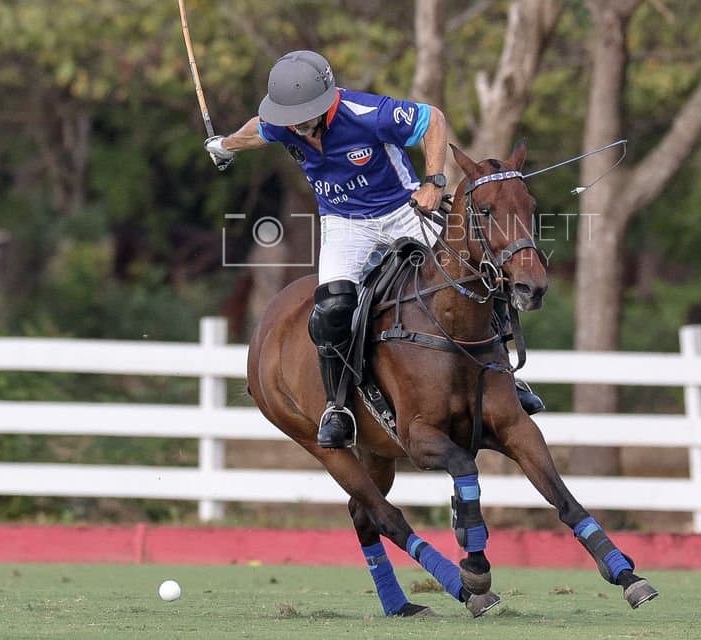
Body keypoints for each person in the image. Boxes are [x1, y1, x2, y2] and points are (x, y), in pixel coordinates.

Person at [206, 50, 544, 448]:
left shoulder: (367, 113)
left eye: (304, 115)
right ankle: (337, 408)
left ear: (326, 102)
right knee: (332, 309)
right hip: (344, 223)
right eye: (289, 118)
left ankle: (505, 378)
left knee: (476, 272)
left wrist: (433, 182)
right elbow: (256, 131)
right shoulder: (285, 124)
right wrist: (224, 145)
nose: (296, 126)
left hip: (403, 210)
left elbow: (432, 119)